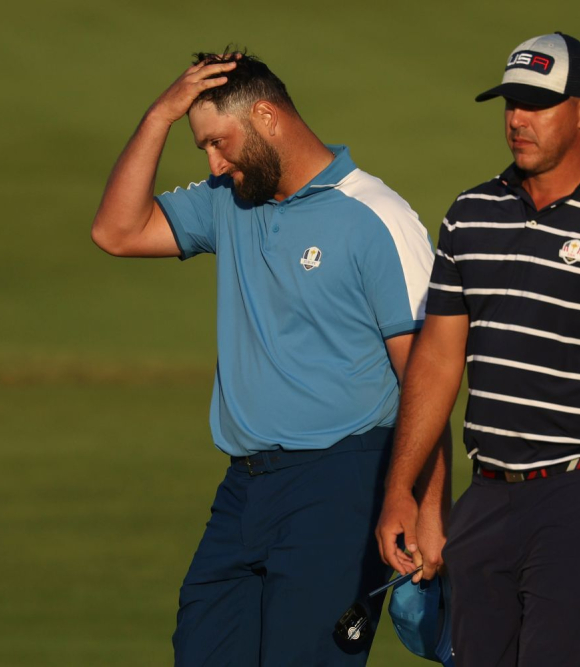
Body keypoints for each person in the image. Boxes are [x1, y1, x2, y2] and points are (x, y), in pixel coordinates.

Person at [91, 50, 448, 666]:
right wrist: (158, 116)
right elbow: (117, 232)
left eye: (219, 142)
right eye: (202, 147)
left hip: (342, 483)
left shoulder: (377, 218)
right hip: (244, 490)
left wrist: (425, 503)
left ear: (267, 117)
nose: (214, 162)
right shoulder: (230, 201)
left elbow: (427, 377)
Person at [376, 32, 580, 666]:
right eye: (510, 103)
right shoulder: (471, 214)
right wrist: (403, 492)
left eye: (536, 104)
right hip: (489, 493)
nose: (516, 119)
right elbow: (437, 363)